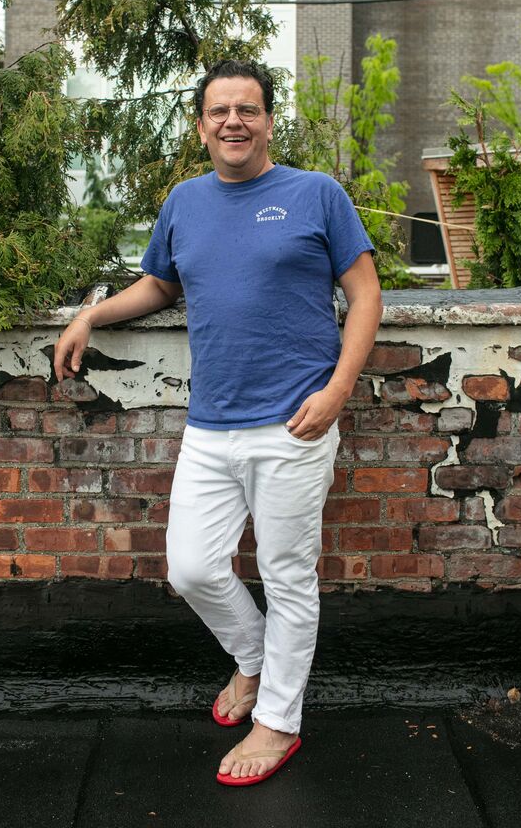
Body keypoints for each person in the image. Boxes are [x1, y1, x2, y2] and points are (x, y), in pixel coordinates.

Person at [54, 58, 383, 787]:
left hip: (295, 420)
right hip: (210, 423)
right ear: (201, 125)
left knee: (287, 575)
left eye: (248, 109)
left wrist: (338, 391)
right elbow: (161, 283)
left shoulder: (315, 194)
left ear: (269, 120)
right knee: (193, 568)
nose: (234, 122)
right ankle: (256, 661)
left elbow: (365, 294)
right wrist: (90, 314)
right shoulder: (186, 201)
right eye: (219, 111)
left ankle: (278, 722)